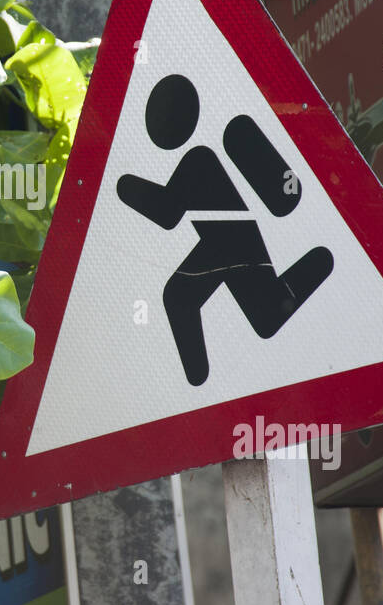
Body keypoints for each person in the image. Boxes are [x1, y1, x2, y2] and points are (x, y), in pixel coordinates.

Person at [117, 74, 333, 386]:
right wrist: (125, 188)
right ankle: (195, 384)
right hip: (224, 243)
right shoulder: (205, 154)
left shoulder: (200, 159)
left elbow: (167, 213)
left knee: (262, 314)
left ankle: (321, 262)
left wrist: (125, 188)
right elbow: (168, 212)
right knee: (185, 298)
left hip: (235, 244)